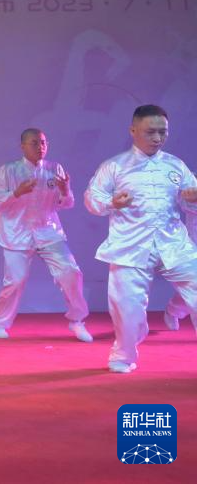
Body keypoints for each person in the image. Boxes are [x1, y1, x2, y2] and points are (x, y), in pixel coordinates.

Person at [84, 104, 197, 373]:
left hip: (174, 243)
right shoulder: (115, 166)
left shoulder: (175, 165)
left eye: (162, 132)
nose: (157, 138)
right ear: (133, 131)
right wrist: (112, 203)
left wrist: (193, 199)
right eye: (150, 132)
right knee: (127, 309)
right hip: (130, 245)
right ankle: (123, 354)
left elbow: (189, 199)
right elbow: (92, 199)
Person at [0, 129, 92, 342]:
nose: (40, 147)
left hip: (48, 230)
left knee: (71, 272)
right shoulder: (8, 171)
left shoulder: (55, 169)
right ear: (23, 146)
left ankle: (77, 320)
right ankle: (1, 322)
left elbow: (66, 204)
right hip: (16, 232)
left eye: (43, 143)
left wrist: (65, 190)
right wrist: (17, 192)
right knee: (15, 280)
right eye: (34, 143)